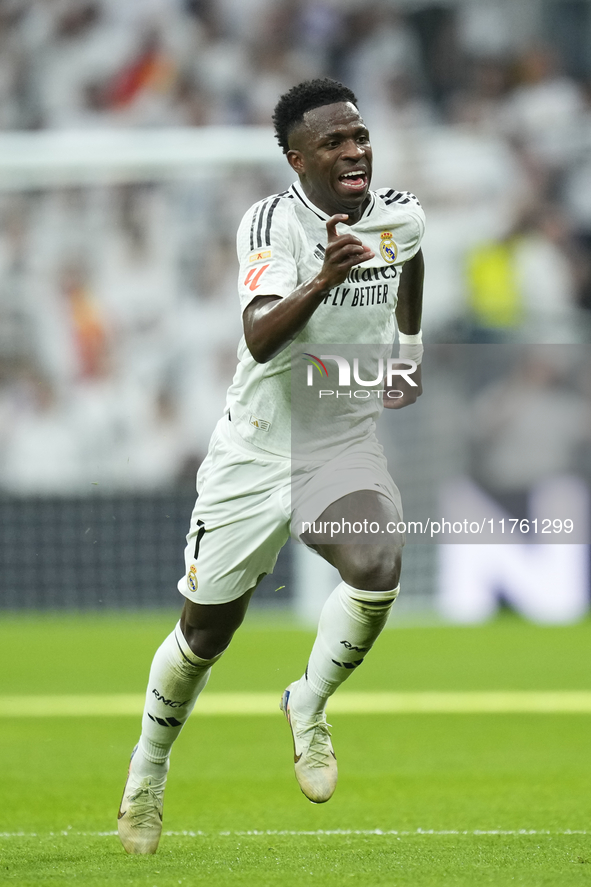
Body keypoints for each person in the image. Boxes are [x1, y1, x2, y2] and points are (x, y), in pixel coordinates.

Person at [117, 78, 425, 855]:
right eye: (334, 141)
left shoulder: (401, 213)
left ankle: (307, 703)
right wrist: (324, 276)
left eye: (358, 136)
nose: (354, 150)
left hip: (338, 441)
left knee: (378, 560)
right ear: (297, 157)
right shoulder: (270, 223)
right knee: (205, 634)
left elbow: (411, 260)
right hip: (255, 449)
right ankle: (146, 774)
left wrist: (409, 351)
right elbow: (259, 336)